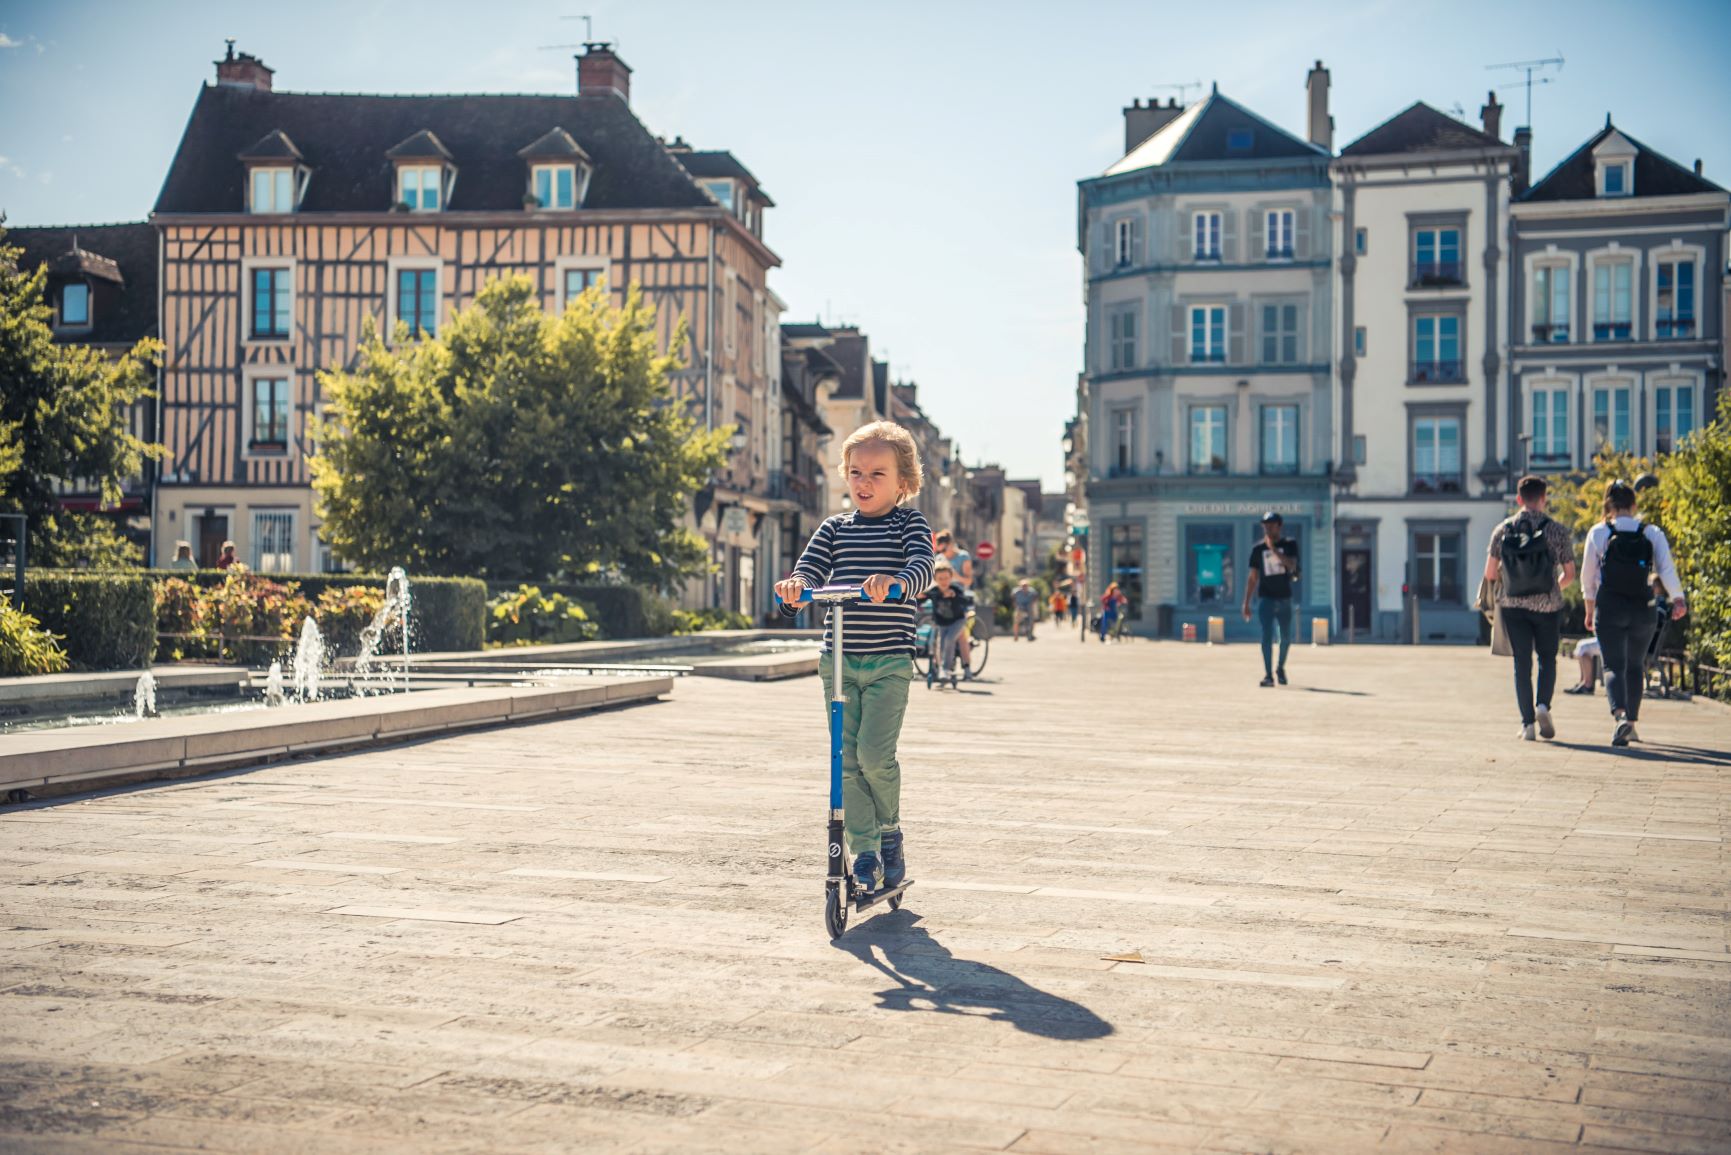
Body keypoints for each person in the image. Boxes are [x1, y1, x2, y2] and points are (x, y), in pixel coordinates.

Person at [776, 421, 935, 892]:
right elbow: (808, 573)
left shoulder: (910, 523)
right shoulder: (833, 529)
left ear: (903, 482)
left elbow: (922, 567)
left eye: (877, 474)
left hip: (888, 661)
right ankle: (864, 852)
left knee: (873, 755)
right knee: (845, 761)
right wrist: (795, 589)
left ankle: (890, 834)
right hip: (839, 662)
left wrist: (898, 583)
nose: (863, 483)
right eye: (856, 472)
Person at [1581, 480, 1686, 747]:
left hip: (1610, 605)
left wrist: (1590, 609)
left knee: (1613, 665)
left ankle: (1620, 718)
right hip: (1643, 607)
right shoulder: (1651, 533)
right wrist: (1678, 598)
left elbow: (1588, 577)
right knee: (1635, 665)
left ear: (1608, 505)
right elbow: (1666, 569)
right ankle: (1633, 725)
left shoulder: (1598, 533)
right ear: (1634, 505)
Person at [1483, 475, 1577, 740]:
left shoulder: (1503, 530)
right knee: (1547, 659)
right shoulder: (1556, 530)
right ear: (1544, 498)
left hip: (1513, 605)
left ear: (1519, 499)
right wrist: (1554, 586)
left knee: (1521, 663)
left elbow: (1490, 573)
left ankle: (1527, 725)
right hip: (1548, 605)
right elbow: (1570, 573)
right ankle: (1543, 705)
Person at [1242, 512, 1300, 686]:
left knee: (1286, 638)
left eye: (1271, 524)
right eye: (1265, 524)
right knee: (1266, 637)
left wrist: (1273, 550)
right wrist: (1246, 603)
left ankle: (1280, 667)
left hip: (1285, 598)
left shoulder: (1289, 544)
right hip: (1266, 599)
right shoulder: (1257, 550)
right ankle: (1268, 675)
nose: (1267, 527)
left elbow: (1292, 565)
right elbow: (1253, 577)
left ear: (1279, 526)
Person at [926, 560, 972, 684]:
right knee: (941, 645)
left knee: (949, 640)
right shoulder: (934, 591)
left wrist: (955, 597)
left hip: (958, 621)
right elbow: (921, 598)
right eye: (940, 578)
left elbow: (966, 602)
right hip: (942, 623)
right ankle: (942, 667)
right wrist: (917, 596)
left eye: (946, 578)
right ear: (935, 579)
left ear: (951, 577)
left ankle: (945, 669)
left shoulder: (956, 590)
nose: (944, 581)